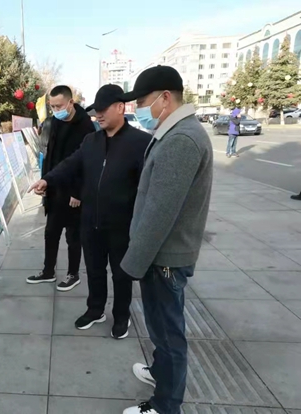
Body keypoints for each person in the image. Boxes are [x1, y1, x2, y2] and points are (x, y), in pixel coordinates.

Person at [117, 66, 213, 414]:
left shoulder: (181, 140)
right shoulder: (173, 132)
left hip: (165, 257)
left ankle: (165, 406)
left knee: (169, 334)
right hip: (162, 255)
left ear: (165, 98)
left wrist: (133, 263)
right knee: (159, 327)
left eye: (142, 102)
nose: (139, 109)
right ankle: (161, 373)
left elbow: (160, 212)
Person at [29, 84, 152, 337]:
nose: (99, 115)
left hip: (122, 226)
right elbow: (70, 164)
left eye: (104, 109)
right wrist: (47, 180)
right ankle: (95, 310)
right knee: (95, 271)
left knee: (121, 274)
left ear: (120, 107)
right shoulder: (91, 141)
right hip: (91, 222)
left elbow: (148, 188)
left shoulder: (141, 143)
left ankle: (121, 316)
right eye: (97, 110)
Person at [26, 85, 96, 291]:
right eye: (52, 106)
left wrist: (78, 192)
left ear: (70, 103)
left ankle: (73, 274)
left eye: (59, 106)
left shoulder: (86, 126)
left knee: (73, 236)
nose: (56, 110)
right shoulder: (55, 122)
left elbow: (87, 163)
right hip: (55, 187)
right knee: (51, 232)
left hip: (73, 192)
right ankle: (48, 271)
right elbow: (50, 155)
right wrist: (45, 181)